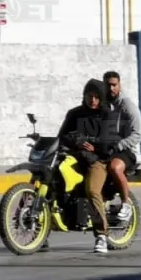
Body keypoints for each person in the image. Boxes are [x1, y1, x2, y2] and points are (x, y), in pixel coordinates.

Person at [56, 78, 120, 254]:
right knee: (54, 181)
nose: (93, 100)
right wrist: (78, 141)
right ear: (84, 96)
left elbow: (109, 141)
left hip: (98, 160)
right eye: (89, 96)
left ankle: (101, 236)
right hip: (76, 157)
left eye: (97, 97)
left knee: (92, 191)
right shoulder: (74, 114)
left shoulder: (107, 114)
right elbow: (62, 136)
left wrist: (94, 144)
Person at [102, 70, 141, 225]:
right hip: (108, 149)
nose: (111, 88)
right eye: (108, 85)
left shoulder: (127, 106)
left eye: (114, 85)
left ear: (119, 85)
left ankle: (126, 203)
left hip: (127, 151)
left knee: (114, 167)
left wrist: (119, 145)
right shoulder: (104, 104)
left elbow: (137, 135)